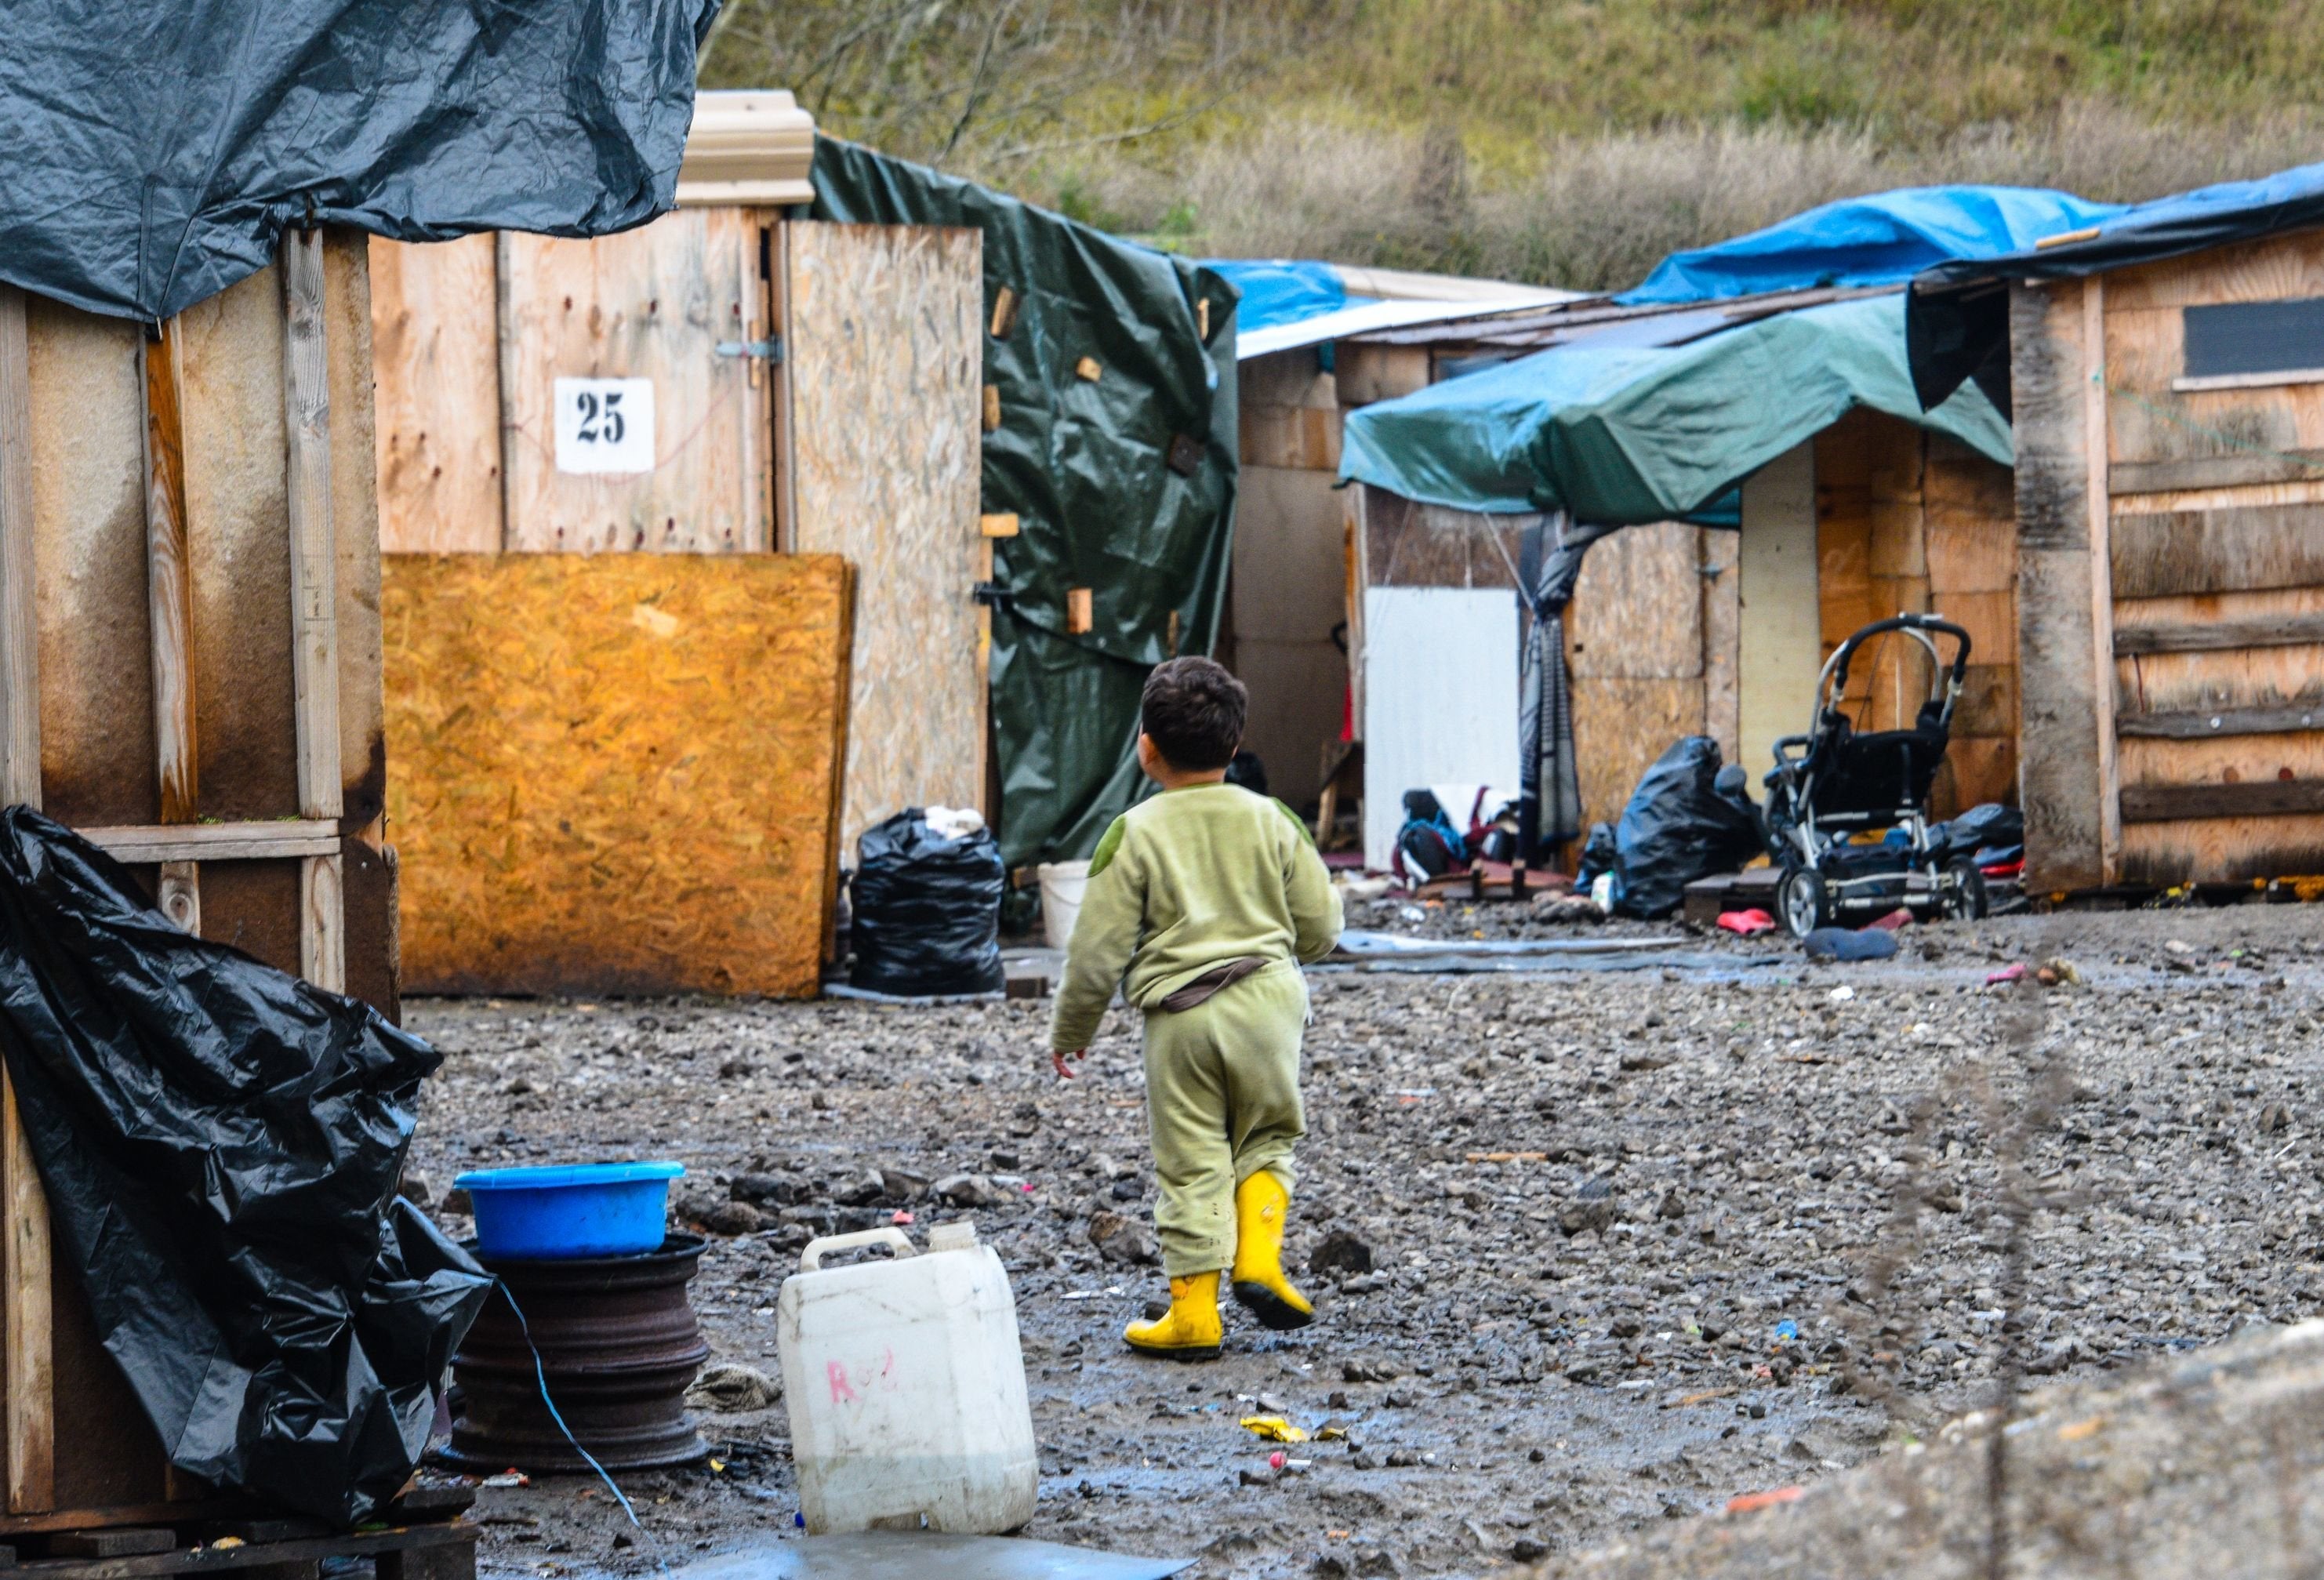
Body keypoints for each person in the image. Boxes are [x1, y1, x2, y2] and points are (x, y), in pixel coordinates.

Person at [1048, 657, 1342, 1360]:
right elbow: (1323, 926)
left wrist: (1073, 1029)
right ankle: (1261, 1259)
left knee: (1189, 1161)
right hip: (1268, 1004)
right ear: (1236, 747)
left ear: (1145, 746)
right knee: (1269, 1137)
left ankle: (1193, 1313)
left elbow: (1096, 953)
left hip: (1180, 1017)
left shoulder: (1134, 832)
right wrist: (1279, 943)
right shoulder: (1273, 819)